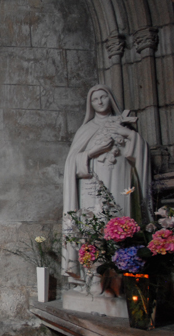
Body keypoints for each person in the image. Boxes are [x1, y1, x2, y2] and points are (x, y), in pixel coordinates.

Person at [62, 84, 151, 289]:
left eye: (103, 97)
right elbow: (72, 163)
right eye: (95, 99)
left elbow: (137, 153)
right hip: (92, 186)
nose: (100, 102)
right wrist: (93, 152)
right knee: (93, 229)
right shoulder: (86, 129)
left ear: (110, 99)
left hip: (120, 182)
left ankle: (123, 280)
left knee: (121, 225)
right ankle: (94, 278)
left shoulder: (123, 124)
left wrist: (126, 134)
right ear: (90, 105)